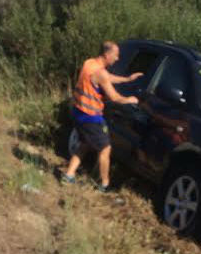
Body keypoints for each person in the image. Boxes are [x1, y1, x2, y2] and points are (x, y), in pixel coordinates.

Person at [60, 41, 142, 192]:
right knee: (105, 148)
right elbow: (115, 97)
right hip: (90, 116)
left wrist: (127, 79)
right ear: (107, 54)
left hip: (78, 111)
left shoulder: (89, 63)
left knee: (85, 143)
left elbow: (107, 77)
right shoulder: (100, 72)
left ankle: (69, 174)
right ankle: (104, 185)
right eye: (115, 55)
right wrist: (130, 99)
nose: (117, 58)